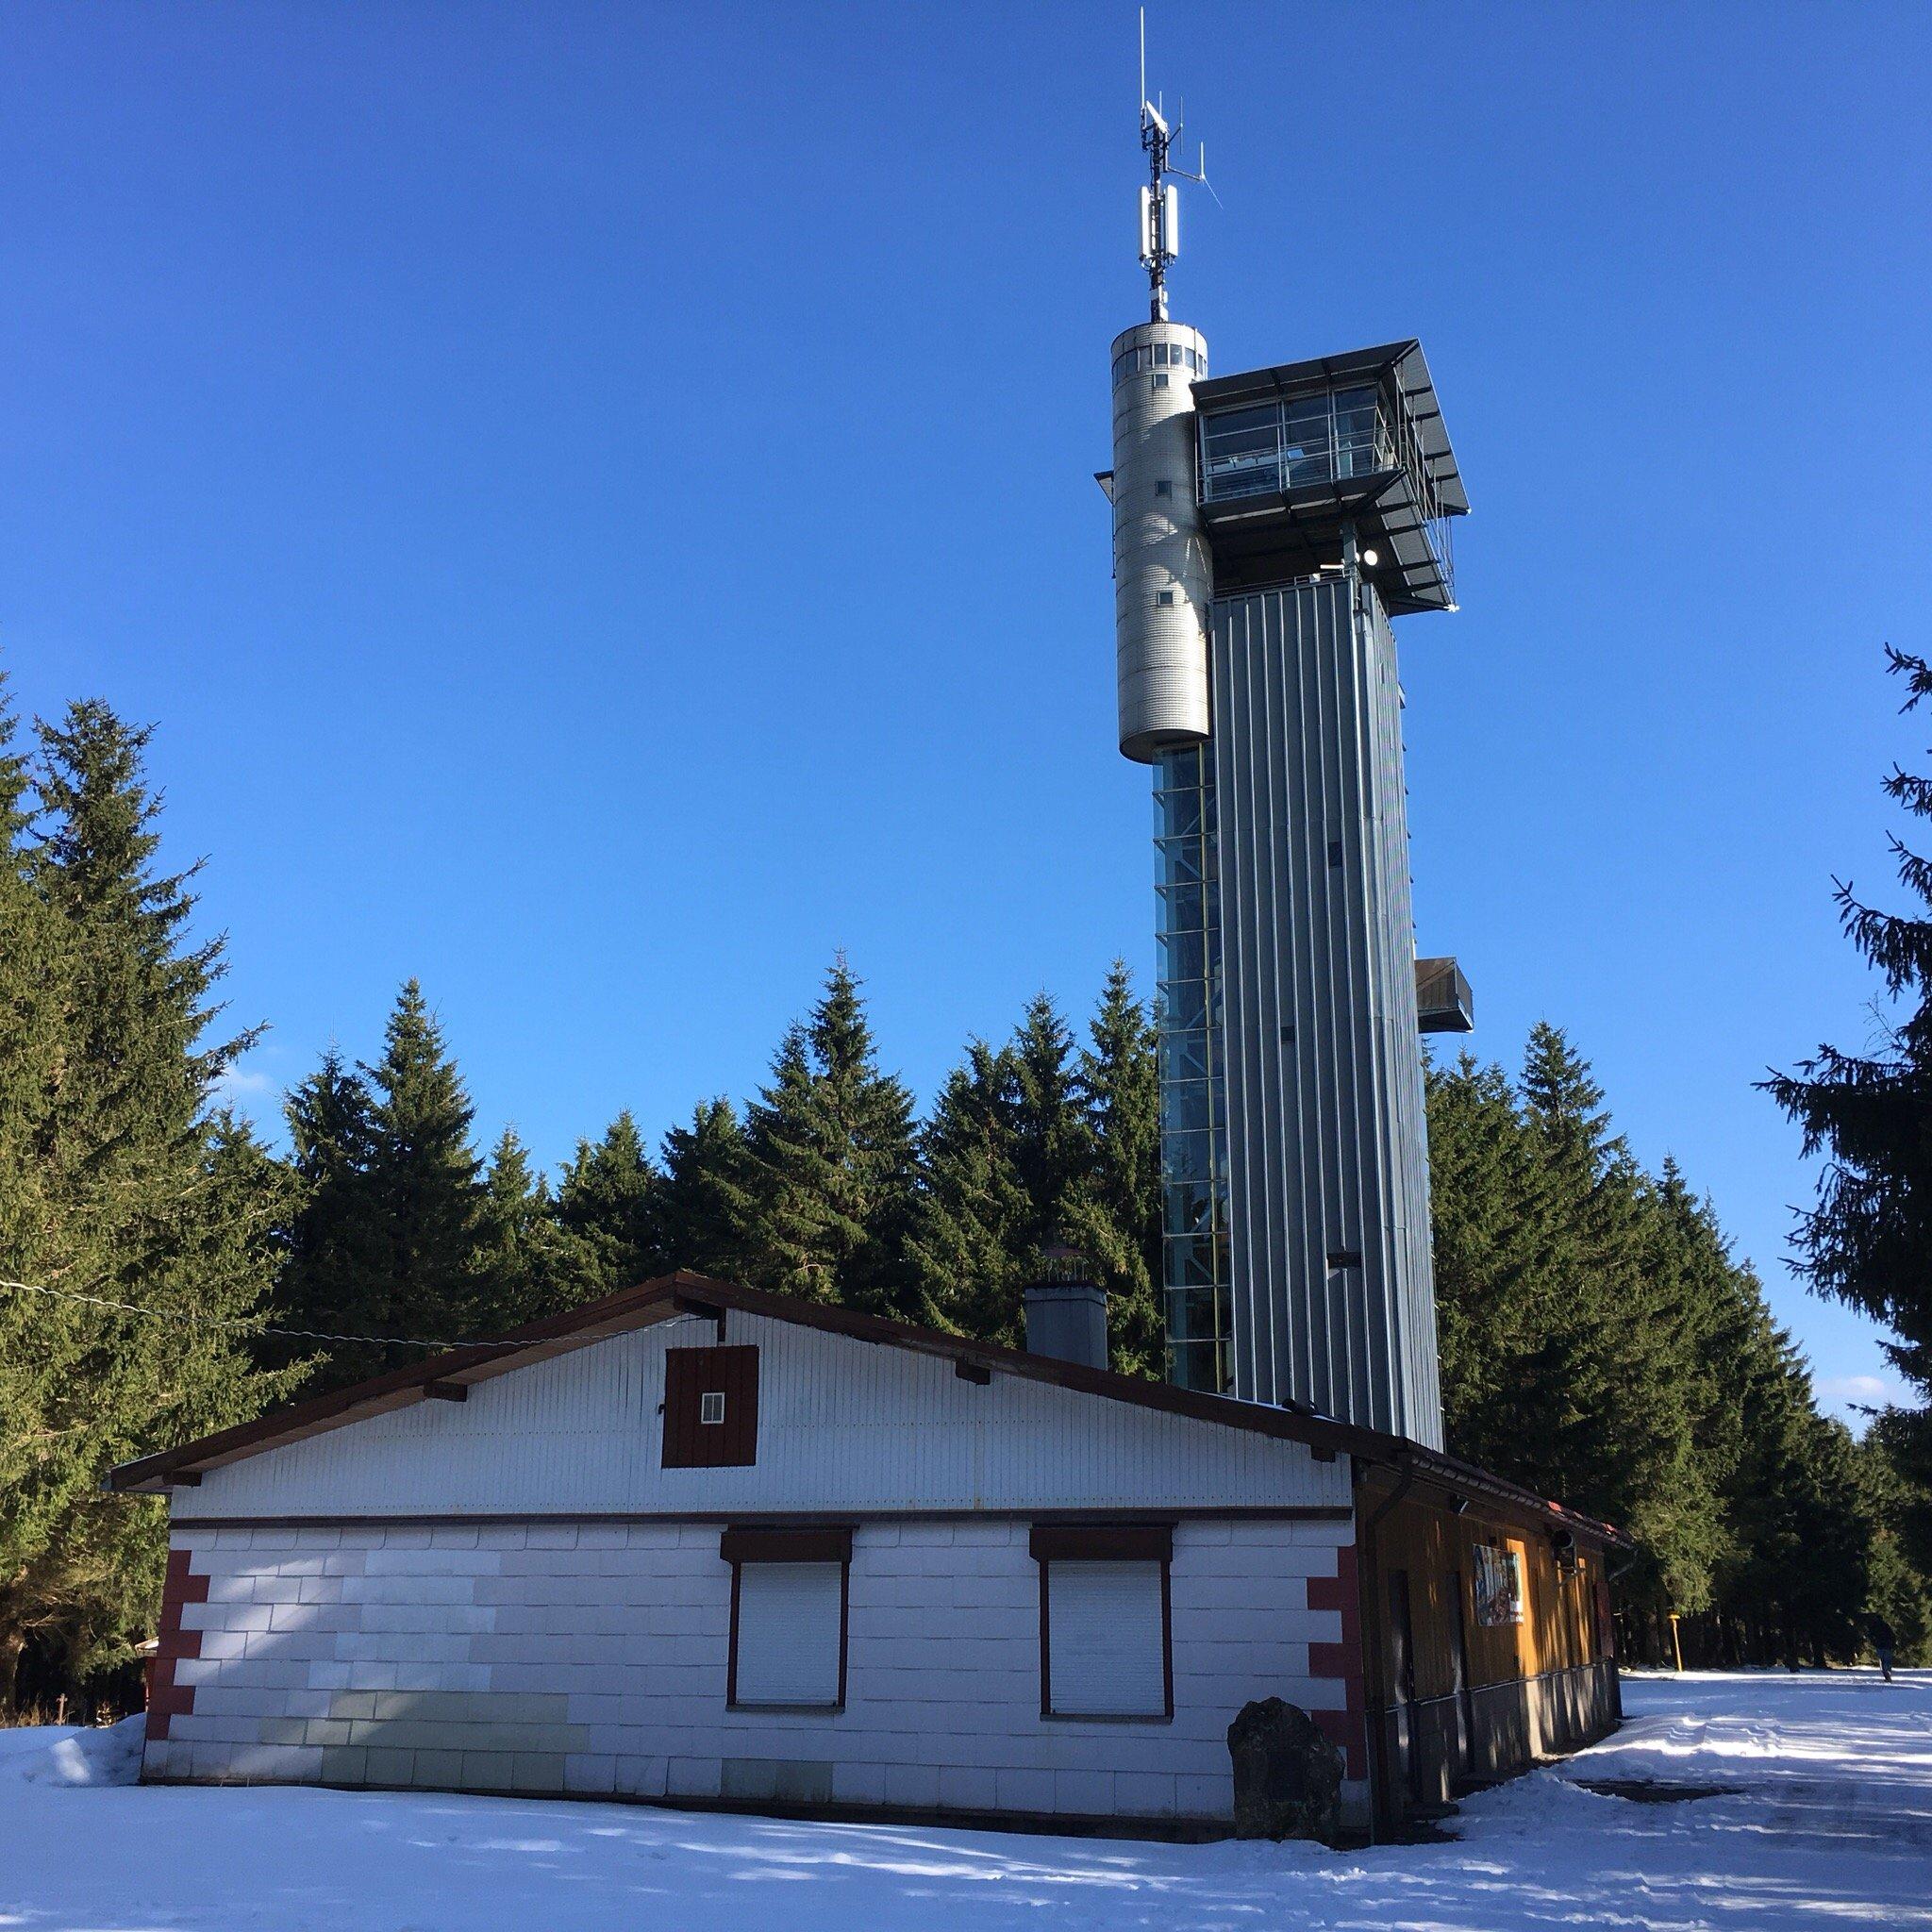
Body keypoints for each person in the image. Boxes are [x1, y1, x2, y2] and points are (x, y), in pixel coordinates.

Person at [1870, 1613, 1896, 1683]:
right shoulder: (1886, 1626)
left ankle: (1886, 1674)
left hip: (1880, 1646)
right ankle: (1888, 1674)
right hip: (1888, 1646)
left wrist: (1874, 1643)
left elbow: (1871, 1636)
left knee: (1882, 1661)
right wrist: (1893, 1644)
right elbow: (1893, 1636)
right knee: (1887, 1661)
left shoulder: (1874, 1627)